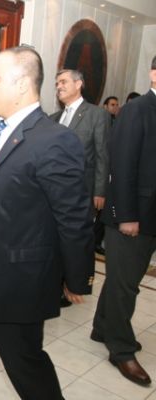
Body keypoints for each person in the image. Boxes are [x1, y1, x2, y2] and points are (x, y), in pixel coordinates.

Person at [0, 46, 94, 399]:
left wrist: (77, 277)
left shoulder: (55, 140)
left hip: (14, 280)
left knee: (26, 368)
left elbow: (74, 217)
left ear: (22, 84)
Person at [91, 55, 156, 387]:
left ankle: (102, 328)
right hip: (133, 217)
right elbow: (123, 165)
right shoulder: (137, 110)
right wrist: (127, 216)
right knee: (125, 285)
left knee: (121, 278)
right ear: (154, 74)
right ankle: (121, 349)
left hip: (151, 215)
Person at [51, 70, 109, 261]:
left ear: (78, 84)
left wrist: (99, 191)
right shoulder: (53, 118)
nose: (59, 86)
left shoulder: (96, 114)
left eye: (63, 82)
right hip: (53, 191)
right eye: (57, 83)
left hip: (82, 191)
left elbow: (102, 155)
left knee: (76, 243)